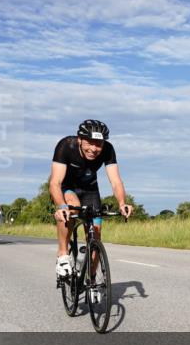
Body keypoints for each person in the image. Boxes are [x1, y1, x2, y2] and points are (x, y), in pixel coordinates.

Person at [50, 120, 132, 285]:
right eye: (90, 143)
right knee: (70, 210)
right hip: (67, 188)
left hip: (90, 189)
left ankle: (91, 278)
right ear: (80, 139)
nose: (94, 149)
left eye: (98, 144)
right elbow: (55, 183)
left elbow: (115, 181)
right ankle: (63, 255)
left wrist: (122, 203)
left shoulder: (108, 150)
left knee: (96, 233)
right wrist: (61, 206)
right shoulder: (66, 145)